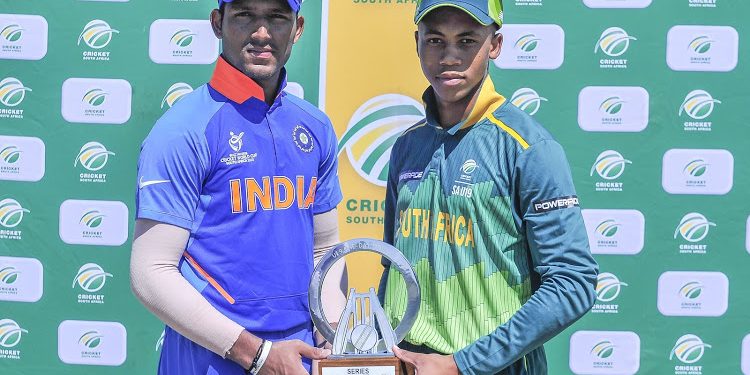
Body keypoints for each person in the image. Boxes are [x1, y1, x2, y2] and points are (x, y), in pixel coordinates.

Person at [380, 1, 599, 374]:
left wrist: (462, 364)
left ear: (494, 45)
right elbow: (393, 267)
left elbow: (573, 283)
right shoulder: (407, 146)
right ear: (417, 43)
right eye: (435, 40)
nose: (449, 56)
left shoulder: (529, 148)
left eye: (466, 40)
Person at [130, 0, 345, 374]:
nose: (262, 33)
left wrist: (331, 339)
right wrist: (257, 354)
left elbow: (324, 249)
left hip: (298, 360)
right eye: (245, 15)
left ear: (297, 28)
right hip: (209, 358)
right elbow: (151, 271)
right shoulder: (181, 130)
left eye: (277, 17)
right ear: (217, 22)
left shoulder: (315, 126)